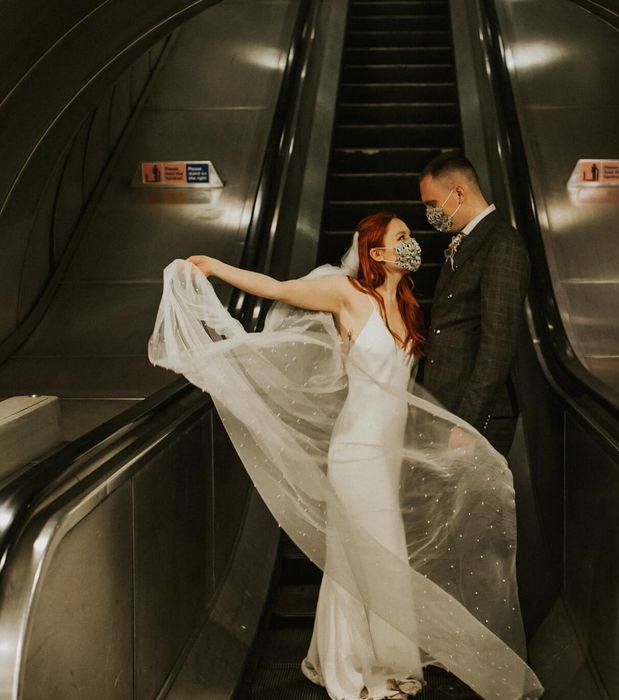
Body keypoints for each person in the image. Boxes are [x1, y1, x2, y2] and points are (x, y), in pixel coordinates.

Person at [148, 212, 542, 700]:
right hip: (355, 452)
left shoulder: (408, 302)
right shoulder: (347, 296)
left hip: (385, 453)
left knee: (378, 555)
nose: (412, 243)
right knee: (366, 556)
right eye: (402, 238)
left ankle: (386, 662)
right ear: (377, 253)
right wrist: (218, 268)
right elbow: (276, 288)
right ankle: (356, 667)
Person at [419, 151, 530, 457]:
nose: (430, 213)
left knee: (474, 506)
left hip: (477, 417)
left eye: (431, 204)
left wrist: (468, 422)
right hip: (449, 409)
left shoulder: (502, 244)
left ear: (458, 192)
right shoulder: (469, 240)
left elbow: (498, 343)